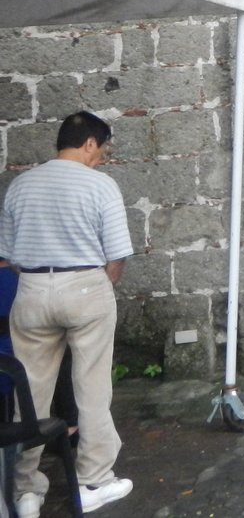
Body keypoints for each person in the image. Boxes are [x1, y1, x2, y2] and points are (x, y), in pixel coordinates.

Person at [0, 111, 135, 515]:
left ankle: (25, 490)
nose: (103, 158)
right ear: (90, 143)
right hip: (86, 286)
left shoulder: (20, 185)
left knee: (31, 392)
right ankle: (94, 479)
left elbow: (7, 256)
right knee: (92, 387)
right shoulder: (100, 185)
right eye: (103, 149)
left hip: (32, 291)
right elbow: (117, 254)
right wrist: (101, 284)